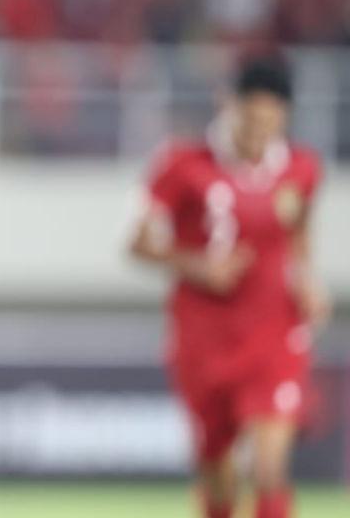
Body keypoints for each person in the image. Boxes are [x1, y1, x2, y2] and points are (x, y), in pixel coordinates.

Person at [128, 60, 329, 518]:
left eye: (270, 121)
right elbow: (138, 244)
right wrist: (198, 266)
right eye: (251, 119)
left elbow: (299, 234)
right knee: (219, 479)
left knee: (268, 469)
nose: (260, 132)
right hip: (205, 340)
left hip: (275, 333)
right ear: (229, 106)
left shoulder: (301, 169)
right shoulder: (182, 165)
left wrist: (307, 280)